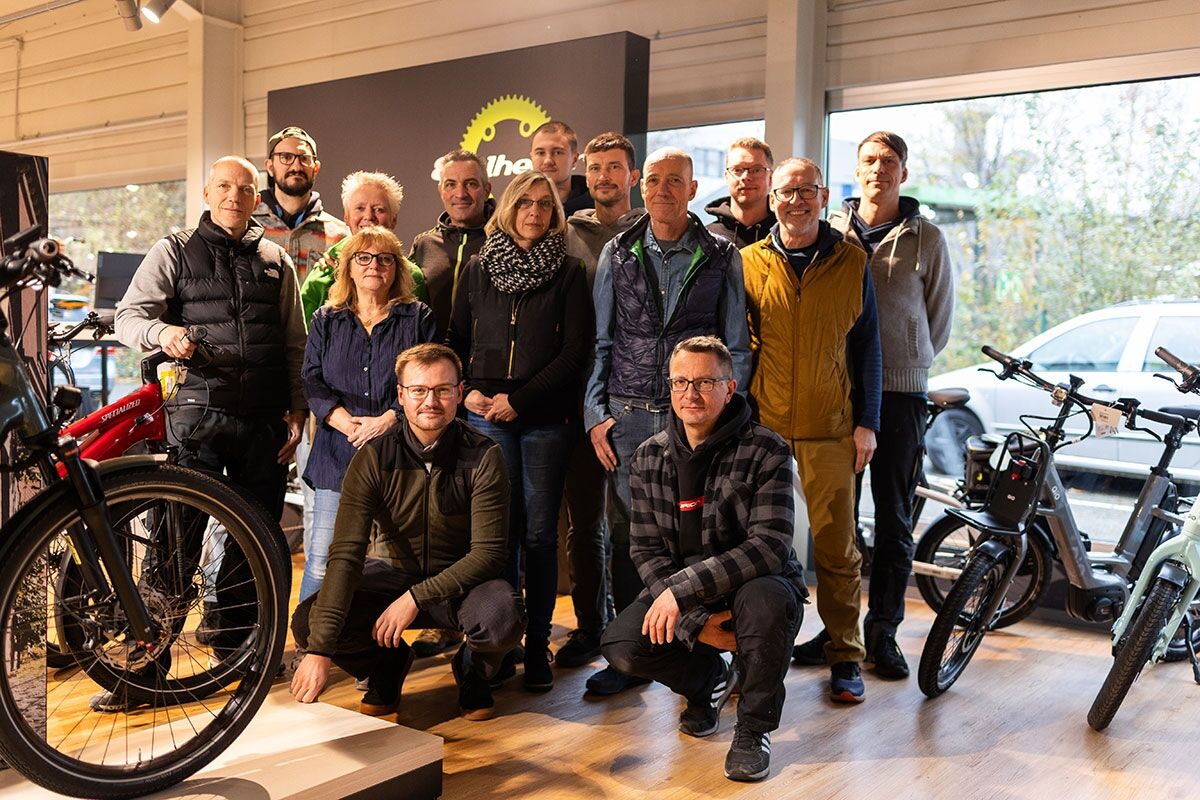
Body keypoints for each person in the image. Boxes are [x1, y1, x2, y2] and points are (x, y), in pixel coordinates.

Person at [114, 155, 307, 689]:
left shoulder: (275, 260)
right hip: (195, 420)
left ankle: (240, 655)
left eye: (244, 189)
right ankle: (146, 668)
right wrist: (164, 336)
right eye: (224, 186)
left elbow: (295, 343)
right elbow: (128, 317)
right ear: (206, 192)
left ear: (256, 199)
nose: (234, 196)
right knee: (176, 542)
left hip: (263, 421)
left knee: (257, 543)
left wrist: (297, 406)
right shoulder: (173, 250)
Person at [584, 146, 751, 696]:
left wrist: (729, 416)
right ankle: (632, 658)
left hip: (695, 420)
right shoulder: (618, 252)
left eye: (673, 181)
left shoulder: (722, 254)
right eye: (653, 180)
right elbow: (601, 342)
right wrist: (595, 415)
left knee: (696, 538)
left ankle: (697, 649)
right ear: (640, 187)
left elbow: (736, 348)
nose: (662, 190)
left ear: (693, 188)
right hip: (628, 419)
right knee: (631, 538)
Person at [600, 336, 805, 783]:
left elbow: (768, 546)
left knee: (765, 601)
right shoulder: (648, 457)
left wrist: (680, 592)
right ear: (669, 387)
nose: (691, 393)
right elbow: (646, 550)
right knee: (620, 644)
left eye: (705, 382)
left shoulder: (767, 450)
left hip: (757, 582)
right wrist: (695, 620)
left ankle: (753, 730)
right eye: (681, 382)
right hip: (688, 595)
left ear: (730, 388)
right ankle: (708, 681)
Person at [290, 344, 525, 721]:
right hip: (390, 576)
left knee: (503, 616)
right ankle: (387, 665)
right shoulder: (373, 458)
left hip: (460, 584)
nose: (430, 401)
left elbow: (488, 555)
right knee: (308, 622)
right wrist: (319, 651)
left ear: (459, 393)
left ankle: (471, 671)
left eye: (442, 390)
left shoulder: (484, 455)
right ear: (401, 395)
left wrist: (416, 597)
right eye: (418, 390)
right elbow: (347, 554)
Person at [741, 157, 882, 704]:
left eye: (806, 190)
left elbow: (869, 347)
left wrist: (867, 422)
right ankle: (748, 653)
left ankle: (845, 656)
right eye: (785, 191)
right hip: (763, 426)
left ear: (823, 197)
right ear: (770, 198)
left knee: (837, 548)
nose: (795, 200)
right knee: (753, 545)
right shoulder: (748, 262)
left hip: (831, 428)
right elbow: (736, 344)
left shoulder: (851, 262)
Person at [815, 131, 955, 679]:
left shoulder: (928, 239)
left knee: (894, 519)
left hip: (899, 394)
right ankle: (838, 630)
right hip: (838, 391)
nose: (879, 170)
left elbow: (938, 321)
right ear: (856, 169)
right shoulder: (832, 234)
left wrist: (907, 357)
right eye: (869, 161)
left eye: (889, 162)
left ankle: (884, 635)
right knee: (838, 524)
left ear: (904, 172)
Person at [446, 170, 593, 692]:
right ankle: (500, 645)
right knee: (497, 534)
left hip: (544, 418)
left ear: (555, 214)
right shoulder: (479, 270)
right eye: (525, 203)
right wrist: (465, 393)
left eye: (545, 205)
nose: (535, 212)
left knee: (537, 534)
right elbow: (455, 339)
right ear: (507, 208)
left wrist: (522, 399)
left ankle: (536, 648)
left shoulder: (571, 271)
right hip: (485, 416)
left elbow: (576, 352)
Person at [300, 226, 437, 601]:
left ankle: (379, 645)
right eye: (364, 257)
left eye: (384, 258)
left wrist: (389, 418)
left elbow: (427, 380)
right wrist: (343, 421)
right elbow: (311, 379)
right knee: (324, 559)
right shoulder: (326, 319)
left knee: (401, 561)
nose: (374, 265)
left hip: (399, 452)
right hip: (336, 452)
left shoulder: (417, 317)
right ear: (349, 267)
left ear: (397, 268)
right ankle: (312, 644)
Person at [555, 131, 646, 668]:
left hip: (636, 399)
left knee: (631, 523)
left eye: (615, 167)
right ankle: (592, 626)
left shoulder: (652, 231)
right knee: (584, 522)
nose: (605, 177)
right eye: (596, 168)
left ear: (631, 176)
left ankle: (632, 638)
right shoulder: (567, 233)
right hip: (575, 395)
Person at [300, 171, 428, 327]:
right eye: (359, 208)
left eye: (379, 209)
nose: (368, 216)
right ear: (346, 216)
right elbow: (303, 334)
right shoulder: (326, 269)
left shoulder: (412, 277)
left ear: (394, 219)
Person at [409, 150, 495, 340]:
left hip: (484, 362)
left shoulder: (503, 242)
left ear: (487, 190)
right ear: (441, 191)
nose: (460, 193)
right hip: (433, 360)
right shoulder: (424, 243)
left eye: (471, 184)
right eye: (451, 184)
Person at [253, 126, 350, 281]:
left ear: (316, 168)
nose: (296, 166)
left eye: (304, 158)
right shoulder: (249, 227)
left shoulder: (340, 236)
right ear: (270, 167)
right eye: (285, 157)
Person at [704, 138, 776, 249]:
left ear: (770, 178)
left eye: (756, 170)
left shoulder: (784, 236)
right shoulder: (706, 237)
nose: (746, 177)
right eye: (737, 170)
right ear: (727, 177)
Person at [530, 120, 592, 215]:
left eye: (557, 152)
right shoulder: (514, 208)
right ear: (531, 158)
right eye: (540, 153)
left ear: (574, 160)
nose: (548, 161)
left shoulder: (597, 208)